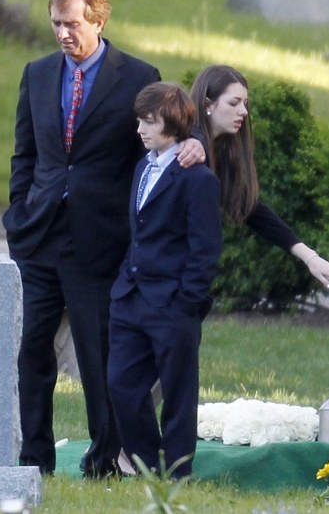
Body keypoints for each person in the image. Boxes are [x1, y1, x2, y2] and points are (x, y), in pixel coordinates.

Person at [2, 0, 199, 477]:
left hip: (100, 241)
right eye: (56, 24)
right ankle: (34, 459)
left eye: (72, 24)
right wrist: (18, 213)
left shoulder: (135, 75)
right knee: (31, 356)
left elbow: (155, 151)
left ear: (98, 19)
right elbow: (25, 153)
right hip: (39, 237)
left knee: (99, 358)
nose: (63, 34)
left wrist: (189, 148)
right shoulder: (37, 73)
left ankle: (104, 459)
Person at [107, 82, 222, 479]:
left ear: (173, 125)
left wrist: (186, 299)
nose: (140, 129)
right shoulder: (144, 165)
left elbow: (204, 248)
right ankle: (143, 461)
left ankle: (177, 471)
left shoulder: (197, 178)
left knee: (177, 391)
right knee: (121, 383)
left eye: (150, 122)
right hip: (131, 296)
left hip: (172, 302)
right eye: (140, 120)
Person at [176, 64, 329, 290]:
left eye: (245, 103)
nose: (244, 111)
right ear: (207, 104)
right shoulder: (185, 149)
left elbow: (251, 210)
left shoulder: (219, 150)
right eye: (234, 103)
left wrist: (310, 258)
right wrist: (192, 139)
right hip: (163, 282)